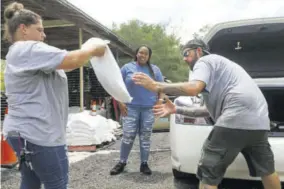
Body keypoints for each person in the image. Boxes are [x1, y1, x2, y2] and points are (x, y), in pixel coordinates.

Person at [132, 39, 282, 189]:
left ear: (199, 51)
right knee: (267, 170)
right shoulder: (221, 73)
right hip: (259, 123)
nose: (184, 58)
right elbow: (206, 111)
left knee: (207, 174)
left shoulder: (204, 61)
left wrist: (156, 85)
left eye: (187, 53)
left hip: (234, 118)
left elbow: (193, 88)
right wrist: (176, 110)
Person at [2, 2, 106, 189]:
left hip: (23, 133)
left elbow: (67, 63)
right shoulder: (28, 49)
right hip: (40, 134)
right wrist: (94, 50)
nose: (44, 34)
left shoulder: (21, 53)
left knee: (31, 180)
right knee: (57, 184)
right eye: (39, 29)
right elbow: (72, 60)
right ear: (23, 29)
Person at [110, 45, 164, 175]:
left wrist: (159, 101)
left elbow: (162, 88)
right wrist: (120, 102)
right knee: (128, 136)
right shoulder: (127, 68)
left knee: (145, 137)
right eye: (140, 52)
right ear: (137, 53)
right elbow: (116, 84)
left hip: (148, 109)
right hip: (130, 108)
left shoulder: (155, 70)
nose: (142, 55)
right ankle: (122, 162)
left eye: (145, 53)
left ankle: (144, 164)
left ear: (149, 56)